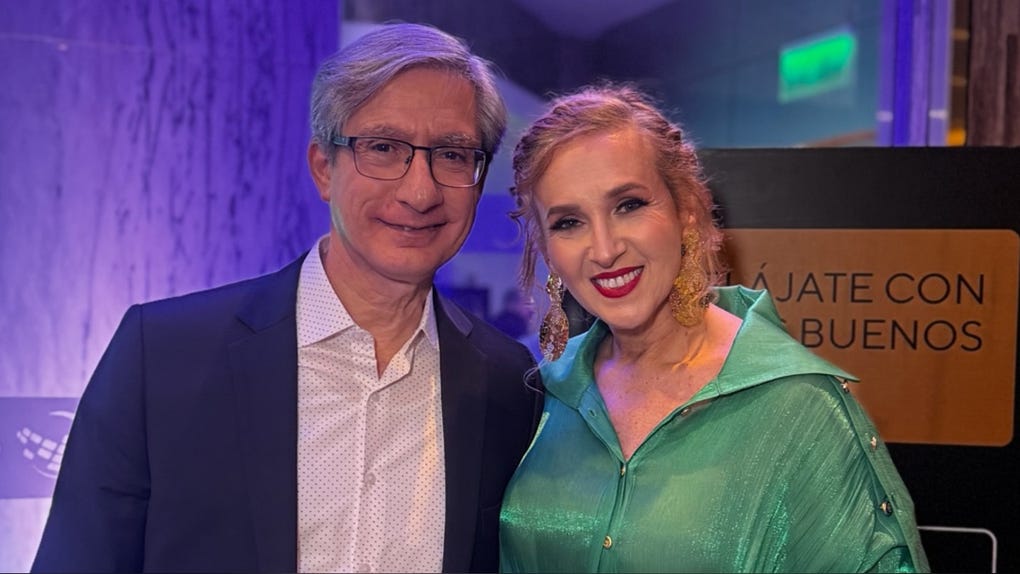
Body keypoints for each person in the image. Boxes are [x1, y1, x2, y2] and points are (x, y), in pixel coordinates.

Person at [32, 23, 540, 573]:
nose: (420, 191)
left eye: (452, 155)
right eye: (383, 148)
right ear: (324, 168)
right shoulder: (162, 355)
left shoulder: (507, 382)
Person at [498, 83, 930, 573]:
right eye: (568, 222)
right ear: (545, 246)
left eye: (629, 205)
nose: (604, 249)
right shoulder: (545, 393)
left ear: (685, 209)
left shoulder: (797, 404)